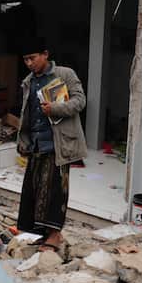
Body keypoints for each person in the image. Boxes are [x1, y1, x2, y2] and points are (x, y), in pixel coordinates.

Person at [16, 39, 87, 252]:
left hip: (59, 143)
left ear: (45, 54)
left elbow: (80, 101)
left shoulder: (64, 74)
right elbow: (26, 113)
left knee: (56, 190)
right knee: (36, 190)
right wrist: (23, 140)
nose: (29, 63)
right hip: (36, 143)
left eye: (33, 58)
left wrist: (56, 108)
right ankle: (44, 234)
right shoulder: (28, 81)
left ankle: (55, 236)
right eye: (26, 59)